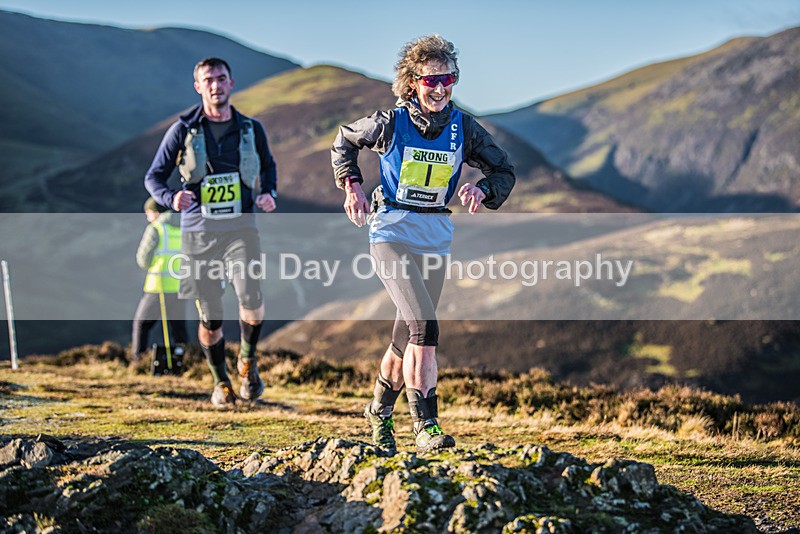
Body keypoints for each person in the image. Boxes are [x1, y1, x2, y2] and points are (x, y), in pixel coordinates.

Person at [331, 35, 515, 454]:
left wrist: (484, 189)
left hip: (435, 238)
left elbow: (504, 170)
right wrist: (352, 185)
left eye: (448, 78)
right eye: (431, 80)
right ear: (412, 82)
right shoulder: (389, 123)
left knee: (405, 340)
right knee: (425, 328)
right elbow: (345, 141)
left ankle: (379, 413)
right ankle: (425, 426)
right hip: (391, 233)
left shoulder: (464, 127)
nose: (440, 88)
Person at [145, 57, 278, 407]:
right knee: (211, 316)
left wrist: (269, 193)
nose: (216, 85)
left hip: (241, 229)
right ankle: (221, 382)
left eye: (221, 78)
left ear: (231, 83)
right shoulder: (182, 131)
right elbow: (153, 177)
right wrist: (171, 198)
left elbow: (269, 166)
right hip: (199, 233)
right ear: (198, 87)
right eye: (208, 80)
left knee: (251, 297)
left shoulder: (251, 129)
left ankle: (247, 362)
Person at [131, 198, 188, 360]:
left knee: (142, 324)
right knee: (178, 329)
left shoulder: (156, 229)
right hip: (180, 287)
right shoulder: (184, 228)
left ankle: (138, 361)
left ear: (156, 213)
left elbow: (143, 260)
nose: (147, 217)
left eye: (148, 213)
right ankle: (183, 361)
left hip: (158, 287)